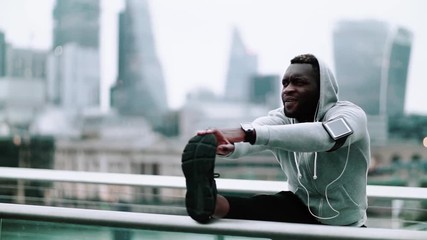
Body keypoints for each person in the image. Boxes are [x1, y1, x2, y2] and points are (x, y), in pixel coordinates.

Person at [181, 53, 370, 227]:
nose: (288, 90)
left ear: (322, 89)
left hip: (346, 224)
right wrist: (228, 146)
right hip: (299, 209)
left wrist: (249, 134)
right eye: (285, 83)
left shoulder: (350, 115)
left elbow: (325, 137)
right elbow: (259, 130)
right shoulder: (282, 118)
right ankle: (211, 204)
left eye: (298, 83)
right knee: (265, 204)